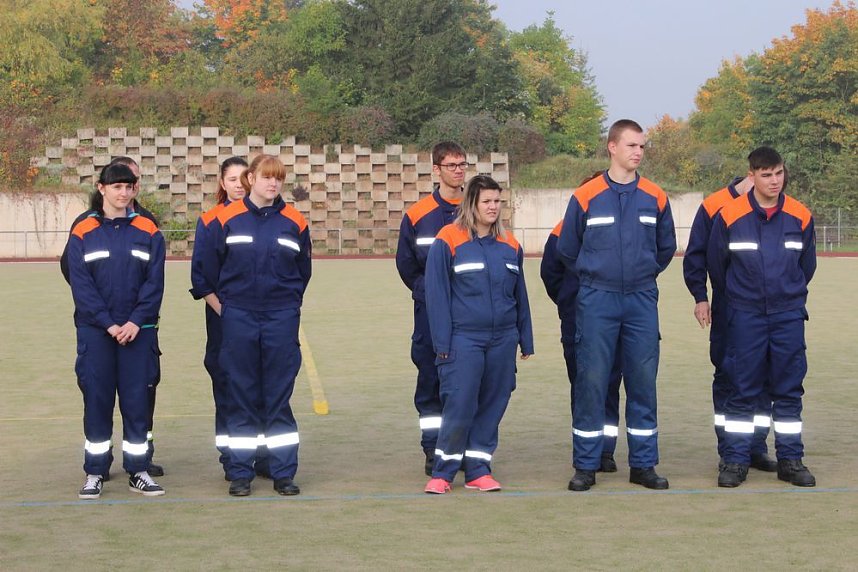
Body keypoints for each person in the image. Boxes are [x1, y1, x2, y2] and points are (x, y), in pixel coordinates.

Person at [557, 119, 676, 492]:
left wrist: (641, 274)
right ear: (612, 147)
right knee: (592, 381)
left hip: (641, 299)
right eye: (631, 145)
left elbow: (666, 248)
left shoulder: (655, 196)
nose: (638, 152)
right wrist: (597, 276)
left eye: (642, 146)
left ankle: (643, 464)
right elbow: (567, 249)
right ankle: (587, 464)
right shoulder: (586, 196)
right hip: (597, 299)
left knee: (643, 382)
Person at [200, 154, 311, 496]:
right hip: (238, 317)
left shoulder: (295, 221)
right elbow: (203, 275)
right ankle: (239, 472)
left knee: (278, 395)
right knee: (241, 394)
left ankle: (283, 472)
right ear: (251, 178)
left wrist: (288, 308)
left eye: (278, 178)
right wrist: (229, 312)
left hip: (280, 317)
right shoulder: (224, 220)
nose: (273, 184)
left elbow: (302, 273)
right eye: (266, 177)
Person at [708, 146, 816, 488]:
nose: (774, 181)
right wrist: (744, 298)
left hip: (787, 316)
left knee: (788, 390)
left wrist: (785, 295)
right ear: (751, 175)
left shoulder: (800, 215)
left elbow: (806, 266)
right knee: (742, 389)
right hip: (745, 316)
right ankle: (736, 462)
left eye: (779, 173)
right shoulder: (730, 215)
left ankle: (790, 459)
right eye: (766, 174)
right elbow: (717, 266)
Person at [423, 175, 533, 494]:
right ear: (471, 203)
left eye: (497, 201)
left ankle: (478, 469)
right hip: (463, 339)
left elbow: (520, 296)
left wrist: (525, 338)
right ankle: (443, 472)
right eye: (486, 201)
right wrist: (443, 343)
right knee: (459, 402)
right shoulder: (448, 240)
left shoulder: (510, 245)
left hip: (502, 339)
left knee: (494, 402)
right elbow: (437, 295)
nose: (493, 207)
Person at [60, 156, 165, 478]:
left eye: (129, 187)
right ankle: (96, 471)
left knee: (136, 402)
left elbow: (154, 282)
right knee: (97, 401)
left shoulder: (148, 230)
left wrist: (134, 321)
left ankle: (138, 469)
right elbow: (81, 284)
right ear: (101, 188)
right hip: (97, 332)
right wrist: (108, 322)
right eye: (116, 186)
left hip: (138, 331)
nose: (123, 193)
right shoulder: (83, 231)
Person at [683, 175, 777, 472]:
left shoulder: (772, 201)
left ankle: (756, 446)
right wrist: (701, 296)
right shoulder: (713, 206)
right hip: (728, 305)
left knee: (764, 375)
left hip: (768, 308)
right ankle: (729, 448)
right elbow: (695, 256)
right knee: (728, 372)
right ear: (750, 175)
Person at [190, 156, 271, 479]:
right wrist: (230, 313)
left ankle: (264, 456)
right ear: (222, 184)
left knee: (265, 386)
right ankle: (232, 456)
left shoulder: (266, 218)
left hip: (264, 320)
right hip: (226, 322)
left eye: (244, 178)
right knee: (229, 387)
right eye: (232, 179)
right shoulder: (212, 220)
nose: (239, 185)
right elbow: (202, 279)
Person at [395, 141, 467, 475]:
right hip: (429, 315)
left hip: (470, 313)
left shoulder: (478, 208)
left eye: (462, 164)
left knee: (467, 382)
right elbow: (407, 266)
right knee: (430, 381)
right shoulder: (417, 215)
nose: (458, 170)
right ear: (436, 169)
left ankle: (462, 446)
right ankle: (432, 447)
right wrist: (431, 295)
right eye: (451, 165)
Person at [541, 213, 623, 474]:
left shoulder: (621, 222)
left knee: (610, 383)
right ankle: (586, 448)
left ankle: (606, 450)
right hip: (577, 317)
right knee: (583, 385)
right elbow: (550, 273)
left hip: (615, 314)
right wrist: (569, 299)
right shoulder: (562, 228)